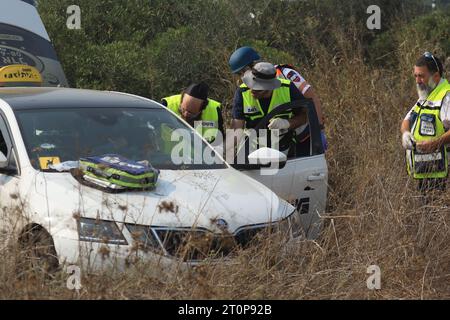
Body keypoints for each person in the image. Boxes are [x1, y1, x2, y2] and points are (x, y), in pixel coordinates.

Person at [228, 46, 327, 150]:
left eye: (243, 72)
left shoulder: (286, 75)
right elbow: (237, 128)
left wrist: (319, 130)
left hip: (296, 135)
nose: (243, 77)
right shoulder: (243, 90)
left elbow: (312, 100)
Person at [230, 61, 309, 157]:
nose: (251, 90)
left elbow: (305, 115)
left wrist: (287, 123)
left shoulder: (288, 89)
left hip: (282, 149)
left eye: (257, 88)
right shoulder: (242, 92)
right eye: (251, 85)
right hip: (252, 149)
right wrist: (225, 148)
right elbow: (237, 128)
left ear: (270, 87)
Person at [400, 52, 450, 192]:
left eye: (421, 76)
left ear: (436, 76)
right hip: (427, 172)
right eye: (415, 76)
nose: (417, 81)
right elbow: (406, 120)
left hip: (443, 177)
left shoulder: (446, 97)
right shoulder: (426, 95)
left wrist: (435, 143)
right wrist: (405, 133)